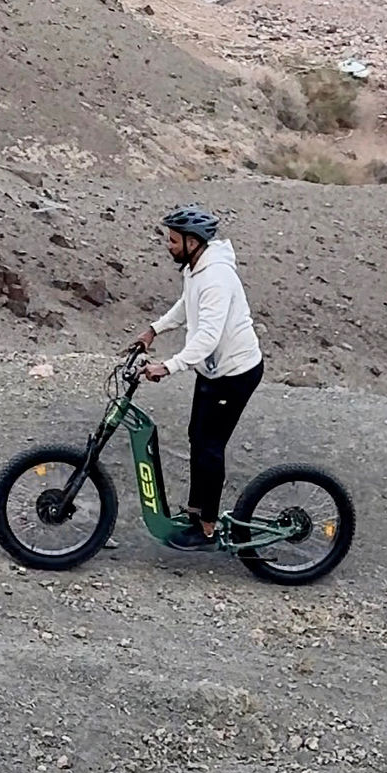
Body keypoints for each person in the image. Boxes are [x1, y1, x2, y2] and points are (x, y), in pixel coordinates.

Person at [131, 206, 263, 550]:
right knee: (197, 437)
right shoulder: (197, 269)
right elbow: (186, 304)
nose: (169, 246)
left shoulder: (216, 277)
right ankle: (195, 511)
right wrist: (153, 330)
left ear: (193, 241)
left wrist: (168, 366)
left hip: (235, 373)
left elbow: (208, 337)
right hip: (213, 371)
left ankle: (206, 527)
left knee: (209, 446)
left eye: (174, 240)